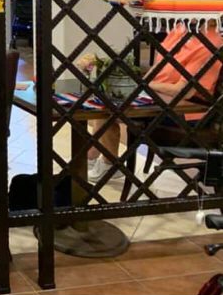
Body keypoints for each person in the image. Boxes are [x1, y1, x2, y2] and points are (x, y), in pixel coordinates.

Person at [87, 21, 223, 182]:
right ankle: (94, 160)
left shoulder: (212, 42)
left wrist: (143, 83)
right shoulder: (180, 29)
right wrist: (142, 83)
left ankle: (97, 162)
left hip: (188, 112)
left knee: (107, 110)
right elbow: (158, 67)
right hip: (158, 96)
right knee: (104, 103)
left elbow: (184, 91)